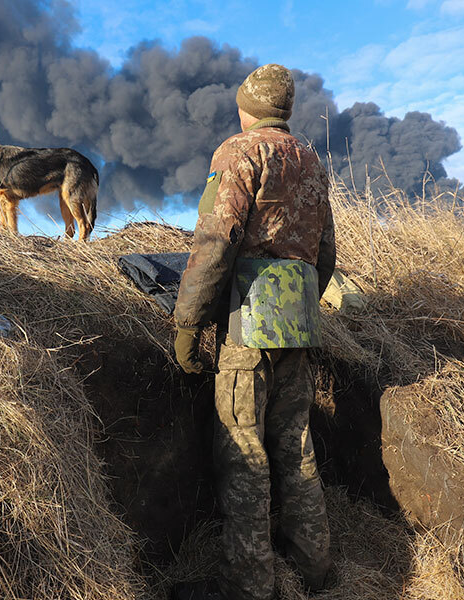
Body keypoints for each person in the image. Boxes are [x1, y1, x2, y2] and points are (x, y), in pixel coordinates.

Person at [172, 63, 336, 600]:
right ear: (285, 110)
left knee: (242, 451)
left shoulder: (239, 152)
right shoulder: (310, 159)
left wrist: (188, 322)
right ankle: (314, 566)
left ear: (247, 107)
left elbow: (216, 242)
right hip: (301, 323)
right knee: (295, 445)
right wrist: (299, 300)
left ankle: (247, 586)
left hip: (248, 327)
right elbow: (325, 255)